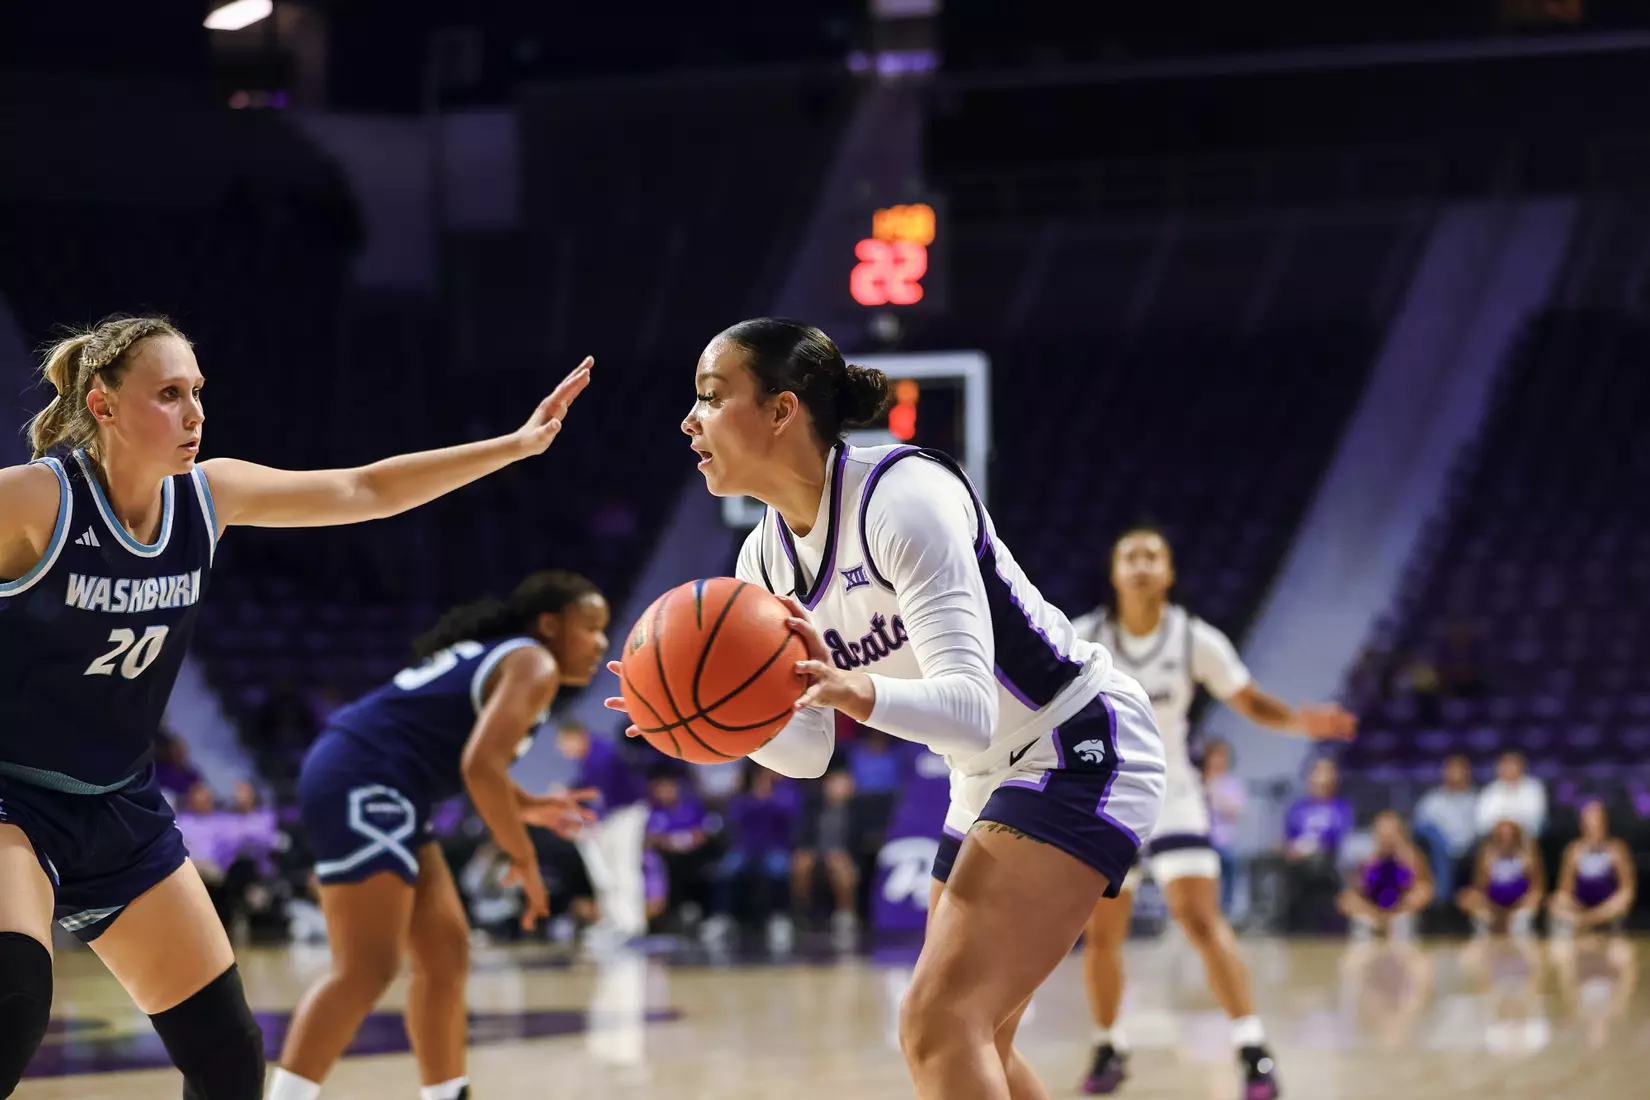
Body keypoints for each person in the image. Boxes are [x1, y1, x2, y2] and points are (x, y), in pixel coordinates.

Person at [0, 314, 591, 1099]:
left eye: (198, 392)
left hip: (121, 810)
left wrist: (512, 446)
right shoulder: (35, 501)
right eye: (169, 394)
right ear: (104, 407)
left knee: (229, 1060)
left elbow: (365, 488)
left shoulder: (208, 498)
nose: (194, 413)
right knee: (12, 1006)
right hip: (15, 798)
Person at [605, 318, 1168, 1100]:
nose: (688, 420)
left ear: (781, 411)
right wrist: (692, 724)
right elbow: (806, 752)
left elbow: (971, 706)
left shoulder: (904, 498)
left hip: (1074, 739)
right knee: (981, 1037)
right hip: (984, 774)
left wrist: (853, 690)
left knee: (940, 1024)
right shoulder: (761, 559)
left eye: (710, 396)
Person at [269, 571, 608, 1100]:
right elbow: (479, 768)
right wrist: (523, 855)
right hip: (365, 776)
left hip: (385, 779)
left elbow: (475, 759)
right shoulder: (533, 662)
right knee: (367, 967)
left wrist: (525, 805)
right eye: (590, 627)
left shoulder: (513, 659)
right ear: (550, 624)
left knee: (445, 953)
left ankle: (446, 1094)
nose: (601, 643)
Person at [1069, 527, 1356, 1097]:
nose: (1142, 564)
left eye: (1153, 555)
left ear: (1170, 572)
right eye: (1130, 555)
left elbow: (1246, 698)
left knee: (1200, 919)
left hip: (1173, 793)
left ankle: (1252, 1045)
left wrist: (1301, 722)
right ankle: (1109, 1043)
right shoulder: (1085, 637)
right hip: (1109, 797)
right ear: (1114, 571)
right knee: (1103, 936)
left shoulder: (1192, 638)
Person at [557, 720, 652, 945]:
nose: (563, 751)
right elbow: (590, 790)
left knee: (623, 868)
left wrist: (589, 823)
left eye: (564, 744)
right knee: (607, 872)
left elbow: (602, 795)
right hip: (612, 816)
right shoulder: (590, 756)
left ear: (576, 736)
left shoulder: (601, 754)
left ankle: (632, 925)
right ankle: (614, 921)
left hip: (626, 814)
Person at [1336, 810, 1433, 939]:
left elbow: (1420, 882)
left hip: (1401, 906)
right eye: (1382, 833)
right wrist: (1375, 857)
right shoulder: (1368, 855)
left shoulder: (1411, 855)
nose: (1387, 837)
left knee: (1423, 891)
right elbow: (1359, 887)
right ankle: (1376, 925)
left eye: (1392, 832)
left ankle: (1395, 925)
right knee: (1346, 899)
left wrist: (1400, 849)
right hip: (1373, 907)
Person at [1546, 799, 1636, 937]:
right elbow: (1565, 890)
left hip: (1607, 908)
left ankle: (1587, 923)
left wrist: (1593, 916)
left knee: (1622, 901)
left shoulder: (1617, 849)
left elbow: (1627, 890)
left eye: (1597, 824)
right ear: (1582, 826)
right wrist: (1572, 906)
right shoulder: (1573, 851)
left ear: (1605, 824)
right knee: (1555, 902)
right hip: (1581, 906)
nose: (1594, 828)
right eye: (1589, 824)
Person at [1411, 754, 1479, 906]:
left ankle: (1456, 897)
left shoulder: (1477, 799)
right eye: (1450, 769)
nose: (1454, 774)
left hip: (1470, 854)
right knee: (1434, 838)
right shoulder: (1432, 800)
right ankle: (1441, 898)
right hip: (1438, 853)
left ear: (1467, 772)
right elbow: (1419, 830)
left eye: (1459, 770)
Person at [1457, 818, 1545, 936]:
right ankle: (1484, 932)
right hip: (1493, 903)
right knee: (1466, 897)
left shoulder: (1528, 855)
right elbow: (1479, 887)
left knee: (1535, 899)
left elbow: (1537, 887)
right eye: (1502, 836)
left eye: (1510, 836)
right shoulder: (1486, 855)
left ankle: (1522, 928)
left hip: (1520, 902)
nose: (1506, 840)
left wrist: (1522, 904)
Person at [1474, 750, 1546, 839]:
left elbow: (1536, 820)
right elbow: (1482, 823)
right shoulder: (1489, 791)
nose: (1509, 768)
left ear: (1521, 766)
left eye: (1513, 765)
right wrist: (1501, 827)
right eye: (1505, 765)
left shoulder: (1534, 788)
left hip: (1525, 837)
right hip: (1495, 837)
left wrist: (1512, 827)